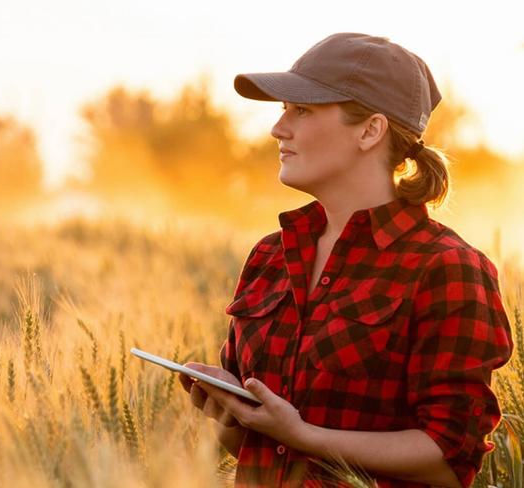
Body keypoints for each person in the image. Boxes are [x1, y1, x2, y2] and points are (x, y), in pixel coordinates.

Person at [178, 33, 513, 488]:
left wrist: (304, 435)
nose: (279, 129)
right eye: (282, 110)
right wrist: (231, 415)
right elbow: (261, 450)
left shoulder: (446, 269)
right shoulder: (270, 256)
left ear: (370, 130)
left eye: (302, 110)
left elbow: (448, 459)